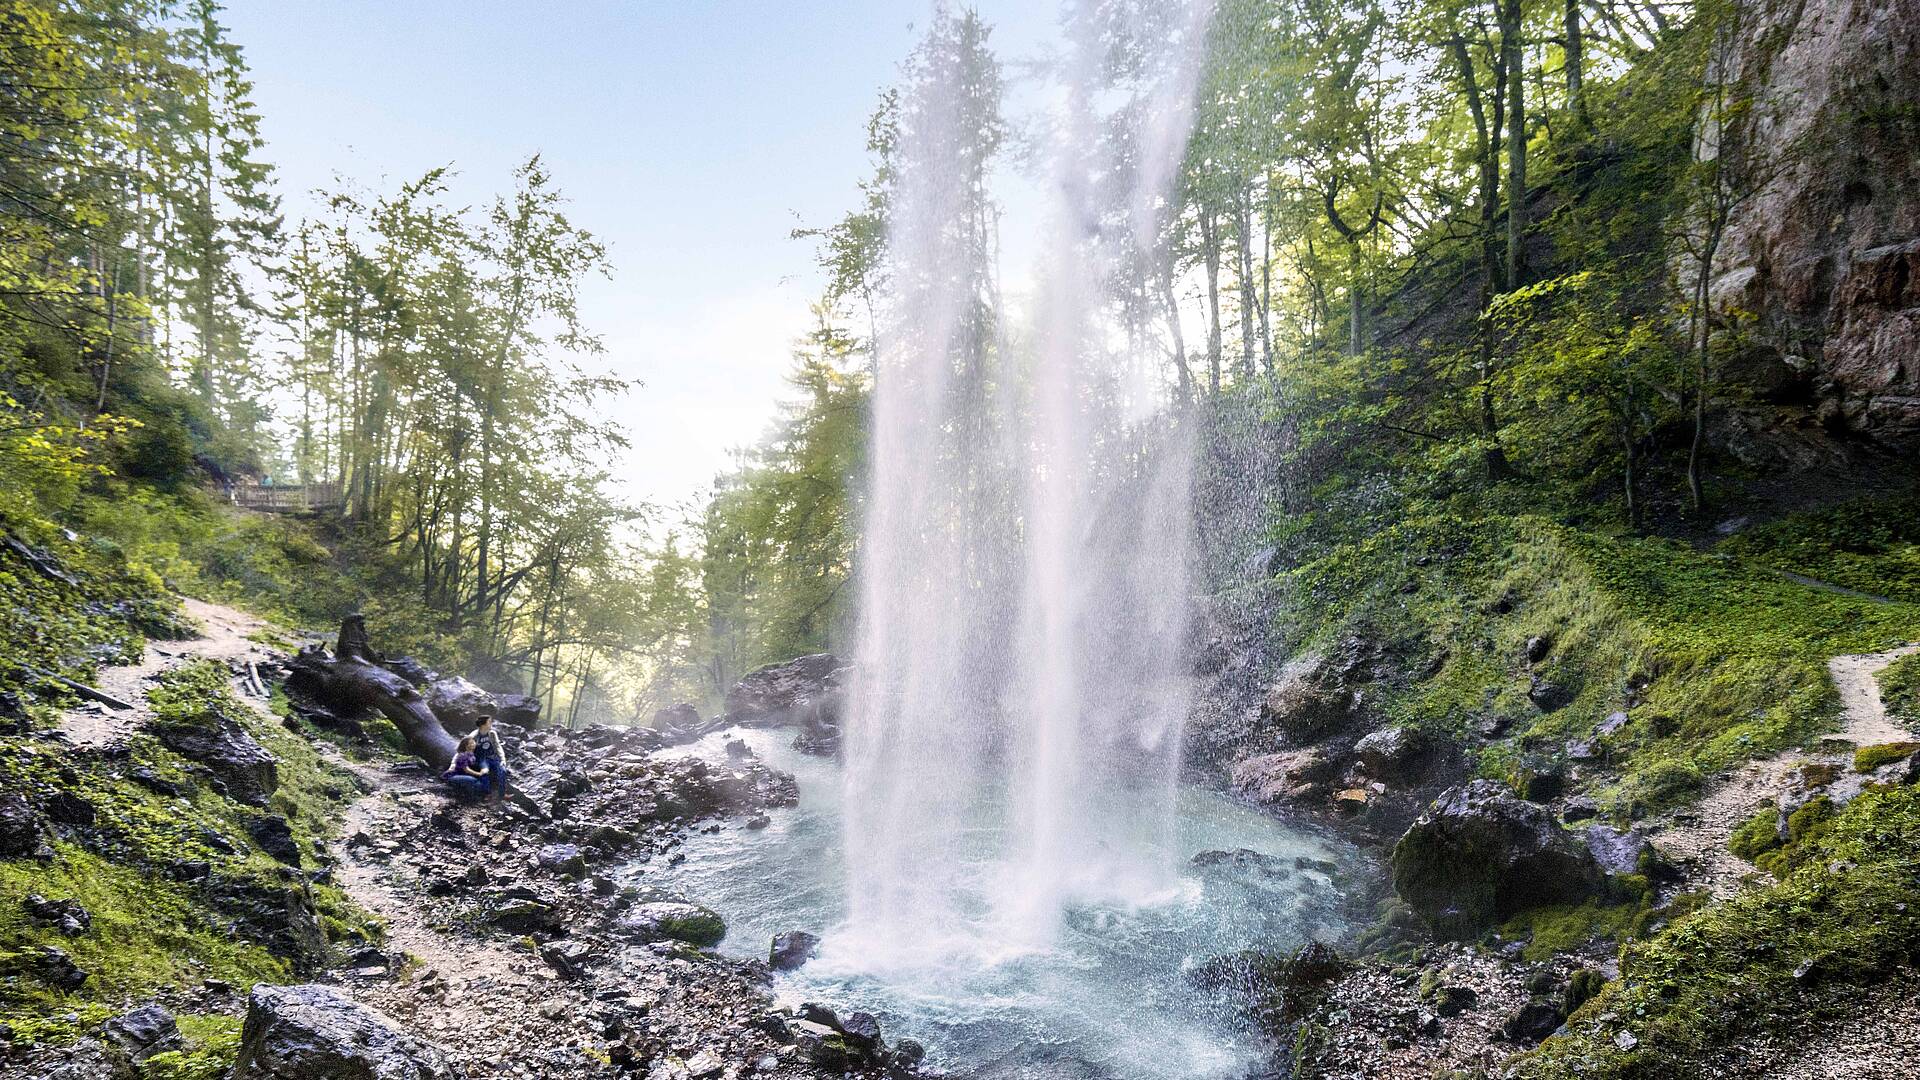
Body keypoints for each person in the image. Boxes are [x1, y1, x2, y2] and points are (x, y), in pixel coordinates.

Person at [468, 716, 509, 803]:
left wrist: (502, 759)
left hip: (493, 757)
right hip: (482, 758)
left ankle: (502, 794)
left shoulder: (492, 733)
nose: (491, 724)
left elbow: (498, 746)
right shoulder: (474, 735)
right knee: (485, 772)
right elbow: (466, 747)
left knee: (502, 770)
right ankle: (487, 794)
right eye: (489, 722)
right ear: (483, 724)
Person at [439, 737, 491, 801]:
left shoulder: (472, 754)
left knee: (484, 776)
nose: (474, 744)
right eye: (471, 743)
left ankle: (487, 794)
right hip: (455, 775)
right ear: (466, 746)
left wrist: (484, 770)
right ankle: (477, 797)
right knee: (473, 781)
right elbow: (466, 769)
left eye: (474, 742)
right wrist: (479, 774)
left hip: (464, 774)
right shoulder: (463, 755)